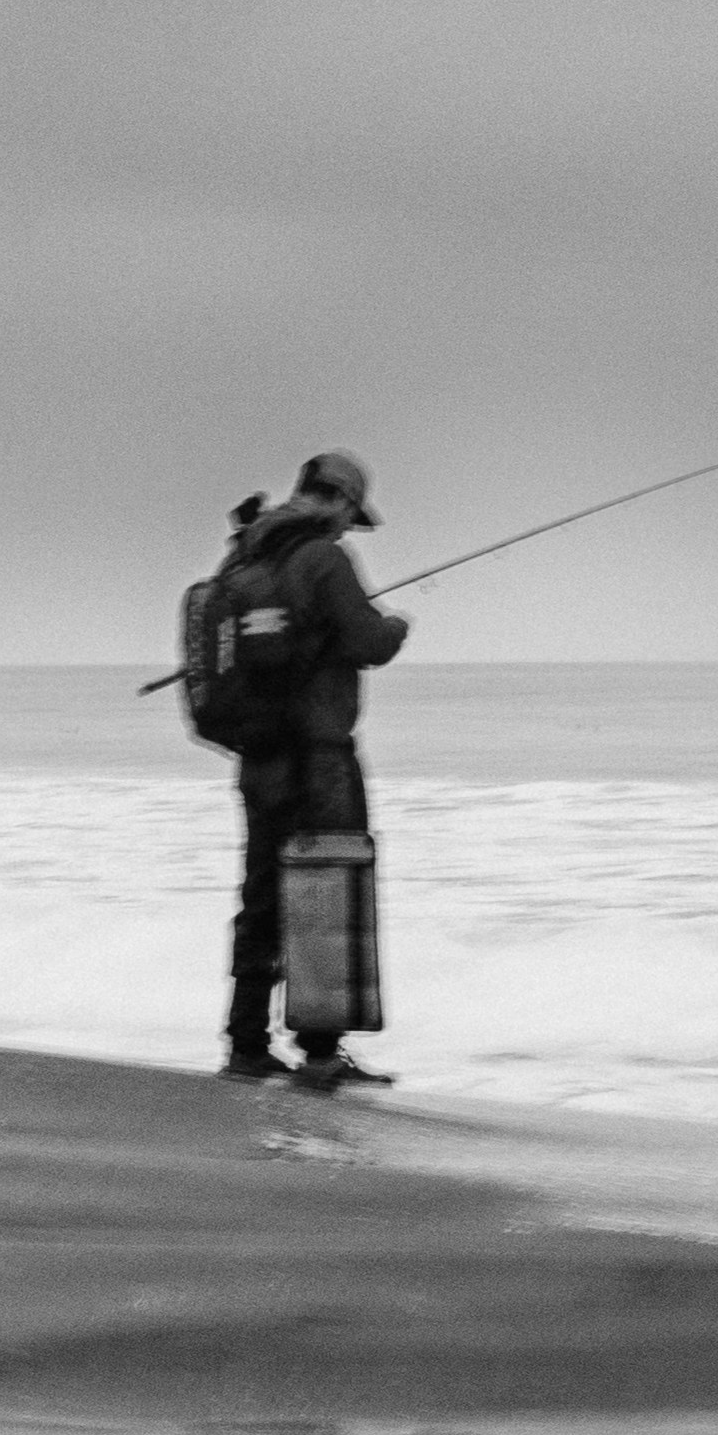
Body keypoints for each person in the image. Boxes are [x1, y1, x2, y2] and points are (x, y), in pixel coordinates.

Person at [221, 448, 409, 1092]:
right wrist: (396, 627)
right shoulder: (325, 559)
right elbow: (367, 641)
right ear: (334, 500)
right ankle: (321, 1052)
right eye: (349, 515)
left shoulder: (246, 555)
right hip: (320, 757)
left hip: (258, 757)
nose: (346, 529)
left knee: (262, 894)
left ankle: (246, 1043)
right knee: (326, 892)